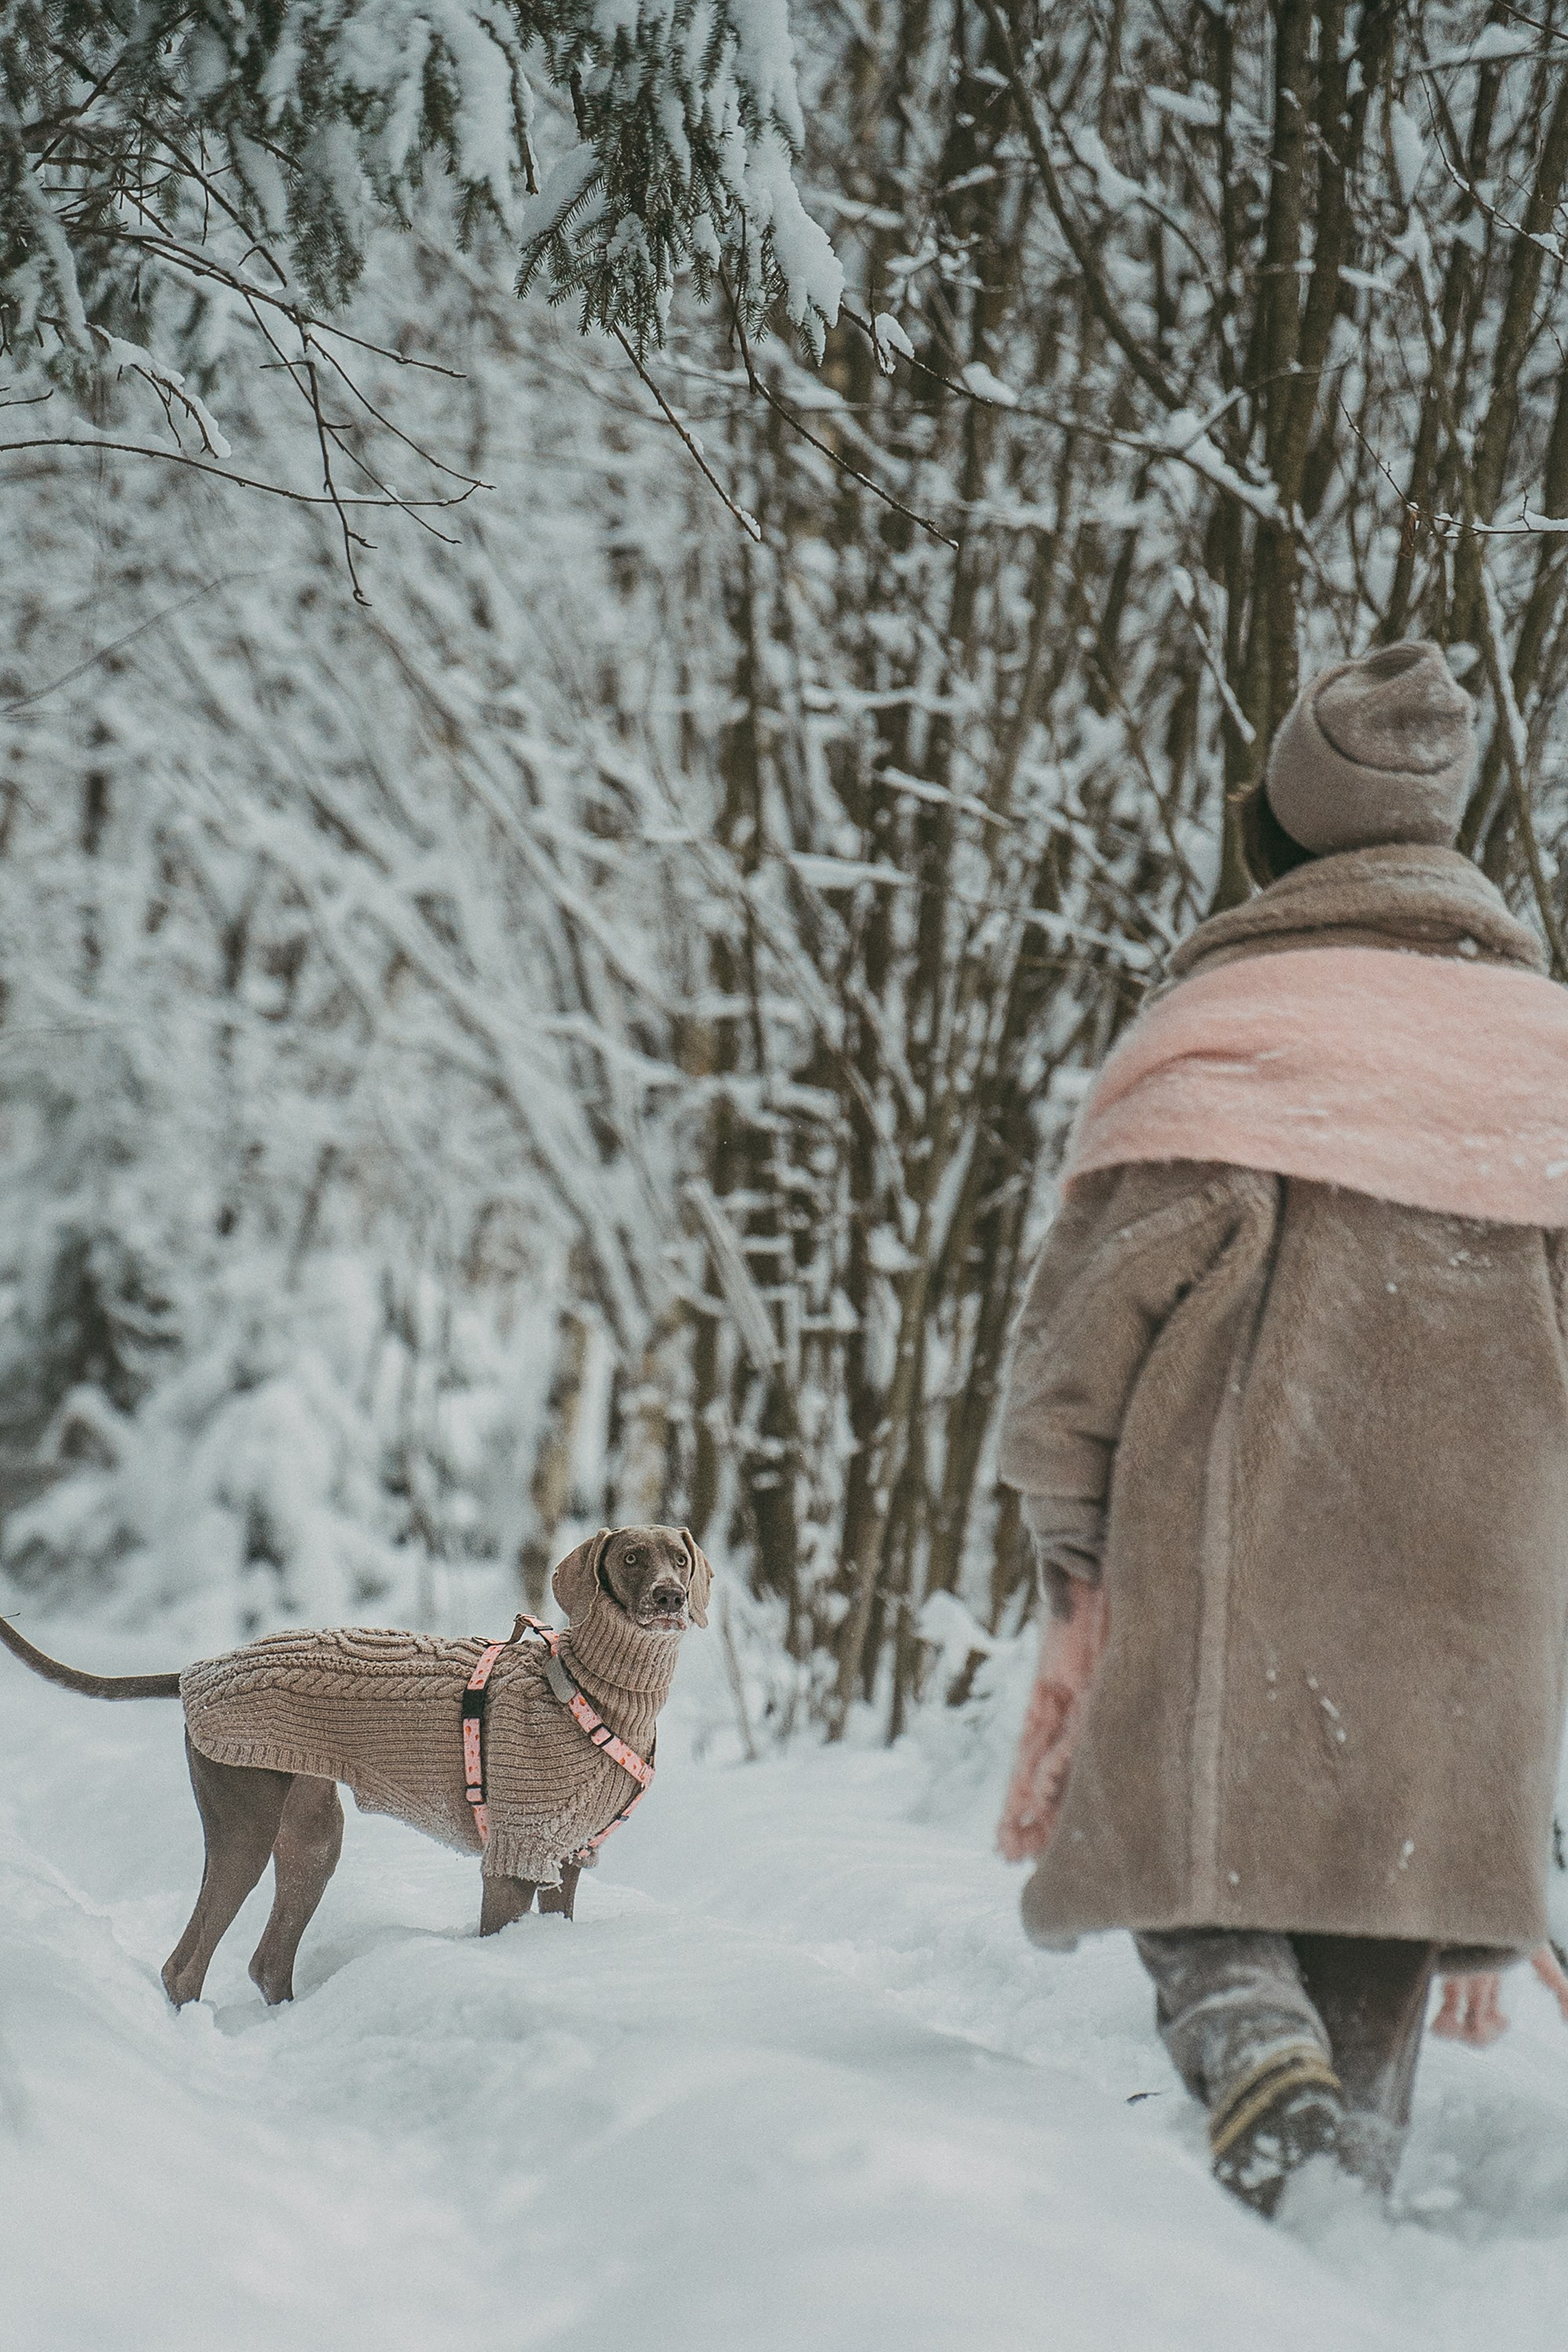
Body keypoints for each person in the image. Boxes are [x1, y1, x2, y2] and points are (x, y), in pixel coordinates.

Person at [995, 641, 1568, 2216]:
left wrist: (1068, 1516)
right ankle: (1332, 2215)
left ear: (1283, 827)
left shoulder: (1231, 1023)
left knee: (1192, 1838)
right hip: (1480, 1580)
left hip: (1240, 1530)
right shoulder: (1547, 1053)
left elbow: (1101, 1300)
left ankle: (1250, 2043)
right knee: (1386, 1881)